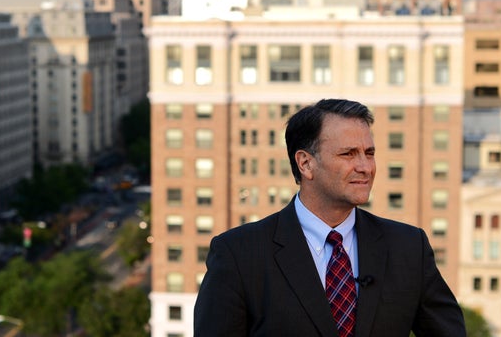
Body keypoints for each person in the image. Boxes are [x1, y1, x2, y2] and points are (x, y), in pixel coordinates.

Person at [194, 98, 465, 336]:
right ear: (306, 163)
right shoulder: (238, 254)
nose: (365, 167)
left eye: (369, 154)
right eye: (348, 154)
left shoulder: (409, 247)